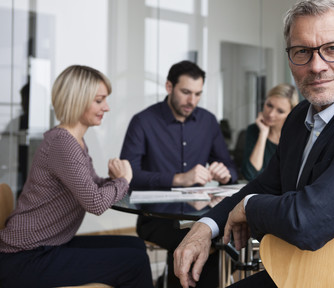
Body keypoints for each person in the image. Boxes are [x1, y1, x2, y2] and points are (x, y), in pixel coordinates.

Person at [173, 0, 334, 288]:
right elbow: (266, 185)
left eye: (332, 49)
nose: (316, 66)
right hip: (310, 270)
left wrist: (250, 207)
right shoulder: (299, 117)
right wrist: (206, 226)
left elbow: (309, 222)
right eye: (302, 51)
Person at [0, 65, 153, 288]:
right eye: (99, 100)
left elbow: (92, 186)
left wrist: (113, 180)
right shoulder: (63, 144)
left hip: (49, 245)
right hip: (25, 257)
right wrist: (124, 179)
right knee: (135, 261)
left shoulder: (75, 142)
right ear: (78, 100)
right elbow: (95, 202)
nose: (107, 107)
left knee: (136, 246)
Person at [120, 60, 238, 288]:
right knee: (194, 244)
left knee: (220, 240)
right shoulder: (143, 122)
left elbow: (230, 166)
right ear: (168, 87)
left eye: (197, 94)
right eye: (185, 92)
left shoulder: (208, 121)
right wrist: (179, 179)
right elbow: (128, 177)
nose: (191, 101)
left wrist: (226, 173)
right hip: (155, 218)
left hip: (199, 213)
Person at [241, 83, 299, 181]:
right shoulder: (254, 130)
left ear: (290, 113)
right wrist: (263, 134)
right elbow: (250, 174)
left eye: (280, 111)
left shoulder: (297, 135)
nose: (271, 114)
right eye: (269, 105)